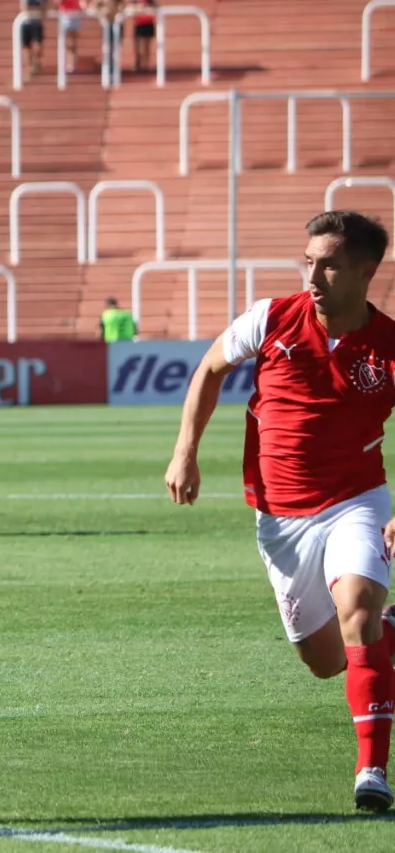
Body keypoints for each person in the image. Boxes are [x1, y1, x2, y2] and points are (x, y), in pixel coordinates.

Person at [164, 210, 395, 813]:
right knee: (324, 661)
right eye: (310, 261)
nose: (314, 275)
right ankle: (385, 635)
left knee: (359, 609)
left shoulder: (391, 346)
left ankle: (372, 770)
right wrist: (185, 451)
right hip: (280, 516)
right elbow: (211, 368)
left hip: (357, 501)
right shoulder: (271, 317)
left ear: (366, 272)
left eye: (330, 265)